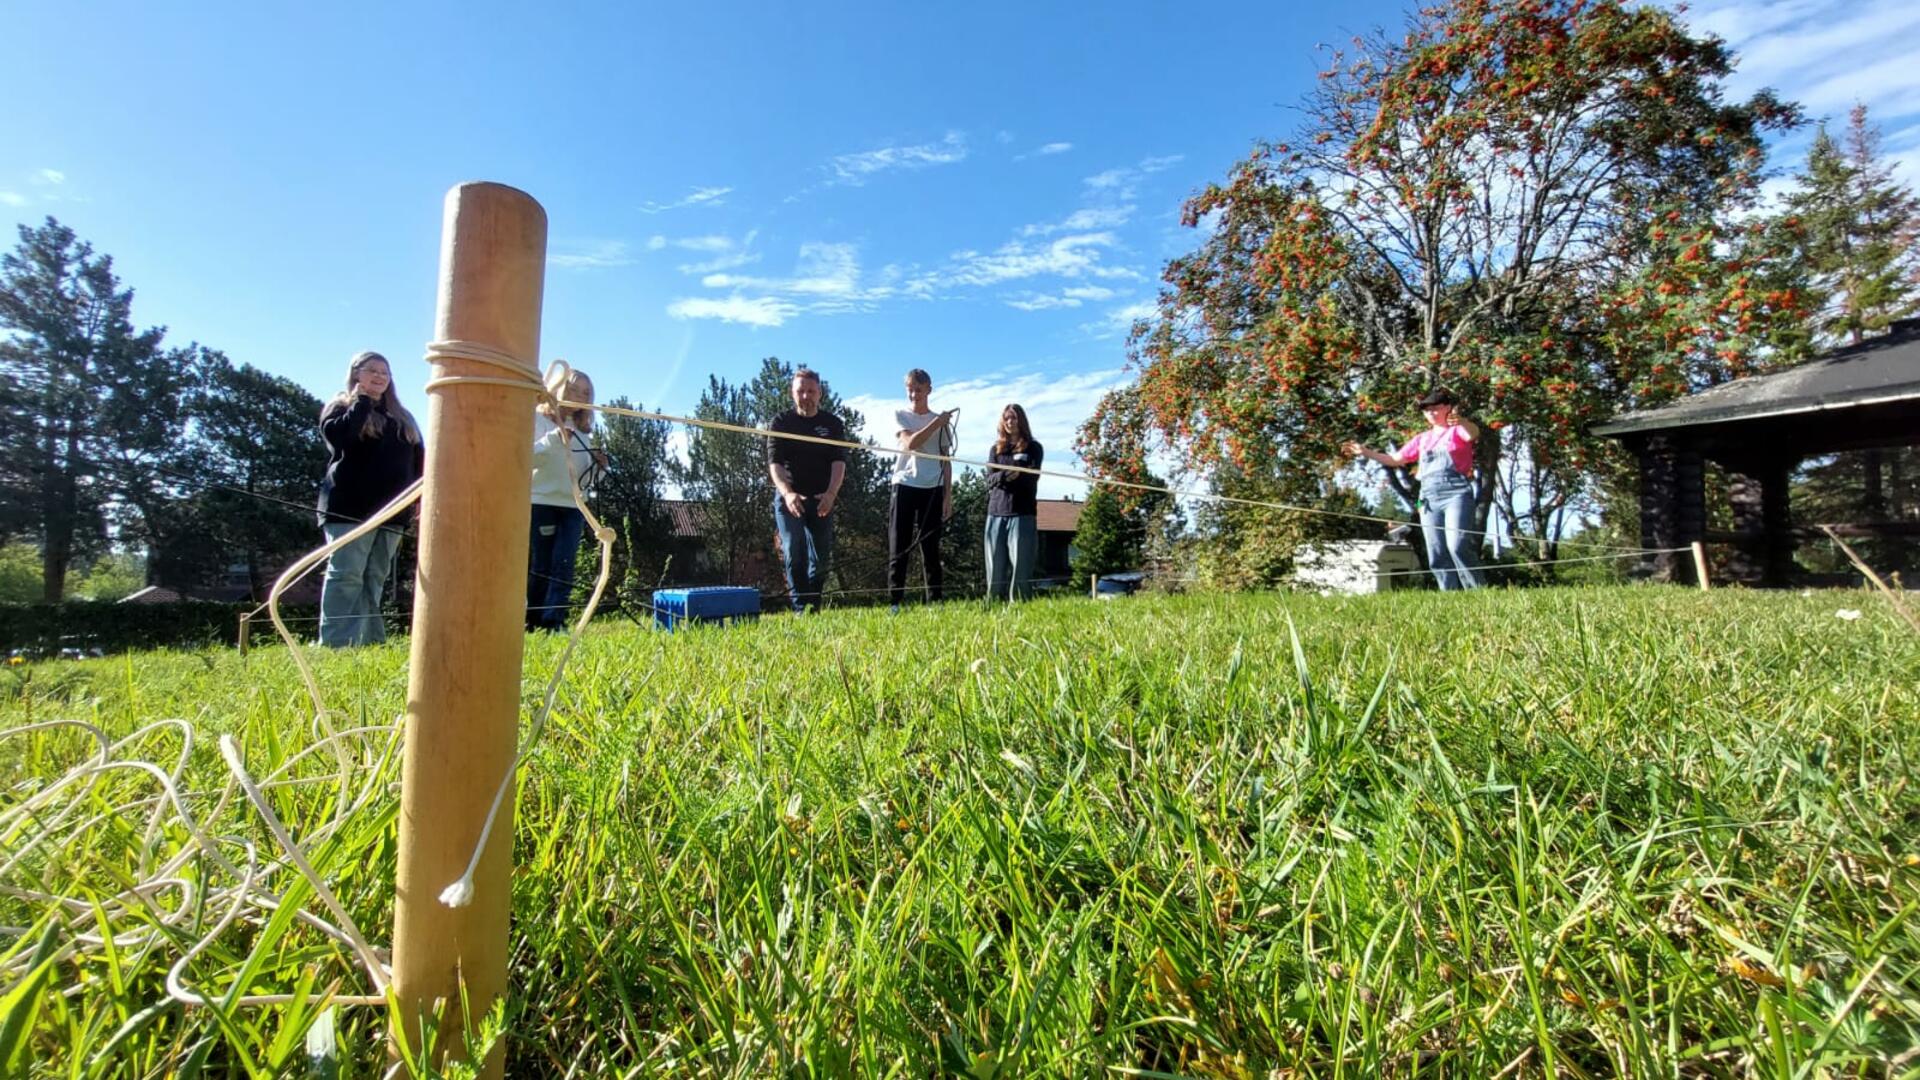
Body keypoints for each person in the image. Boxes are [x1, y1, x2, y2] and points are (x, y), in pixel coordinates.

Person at [317, 351, 424, 647]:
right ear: (355, 373)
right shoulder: (340, 407)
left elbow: (419, 463)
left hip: (393, 512)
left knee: (374, 578)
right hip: (350, 509)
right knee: (347, 576)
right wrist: (361, 401)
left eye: (385, 372)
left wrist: (418, 501)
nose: (379, 376)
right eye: (372, 370)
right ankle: (337, 643)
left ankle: (369, 641)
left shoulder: (402, 417)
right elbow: (341, 438)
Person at [1344, 388, 1483, 590]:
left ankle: (1477, 590)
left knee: (1457, 545)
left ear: (1447, 408)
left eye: (1435, 408)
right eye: (1427, 410)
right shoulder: (1422, 439)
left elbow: (1472, 433)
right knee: (1436, 550)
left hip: (1456, 491)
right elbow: (1394, 459)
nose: (1431, 413)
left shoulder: (1458, 430)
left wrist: (1461, 420)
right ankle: (1450, 593)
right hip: (1427, 495)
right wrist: (1365, 451)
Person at [528, 366, 606, 631]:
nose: (579, 396)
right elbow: (525, 458)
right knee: (541, 564)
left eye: (585, 393)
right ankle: (532, 620)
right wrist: (554, 439)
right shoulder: (538, 422)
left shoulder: (584, 434)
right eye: (574, 389)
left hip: (572, 507)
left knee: (564, 564)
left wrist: (599, 467)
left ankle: (554, 621)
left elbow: (586, 481)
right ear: (560, 388)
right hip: (541, 503)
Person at [767, 367, 847, 613]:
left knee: (821, 558)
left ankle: (814, 605)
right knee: (794, 550)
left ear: (819, 393)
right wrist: (788, 492)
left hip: (822, 498)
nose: (805, 396)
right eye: (800, 391)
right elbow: (775, 464)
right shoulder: (781, 422)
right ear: (792, 393)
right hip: (790, 498)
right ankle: (802, 609)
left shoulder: (832, 424)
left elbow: (839, 463)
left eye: (810, 391)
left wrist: (831, 494)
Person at [888, 368, 955, 611]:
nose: (914, 394)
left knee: (931, 548)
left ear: (929, 390)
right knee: (899, 545)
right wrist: (937, 423)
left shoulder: (942, 423)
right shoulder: (901, 415)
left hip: (933, 488)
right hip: (905, 484)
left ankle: (935, 603)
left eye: (919, 389)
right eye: (910, 389)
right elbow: (911, 443)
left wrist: (948, 495)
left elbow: (946, 461)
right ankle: (895, 602)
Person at [984, 403, 1043, 601]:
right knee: (995, 567)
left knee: (1021, 566)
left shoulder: (1034, 448)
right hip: (996, 513)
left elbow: (1031, 478)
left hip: (1022, 513)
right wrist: (1007, 476)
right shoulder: (996, 450)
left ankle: (1018, 605)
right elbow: (990, 480)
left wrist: (1013, 476)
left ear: (1021, 421)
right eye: (1007, 418)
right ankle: (992, 605)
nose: (1010, 422)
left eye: (1014, 418)